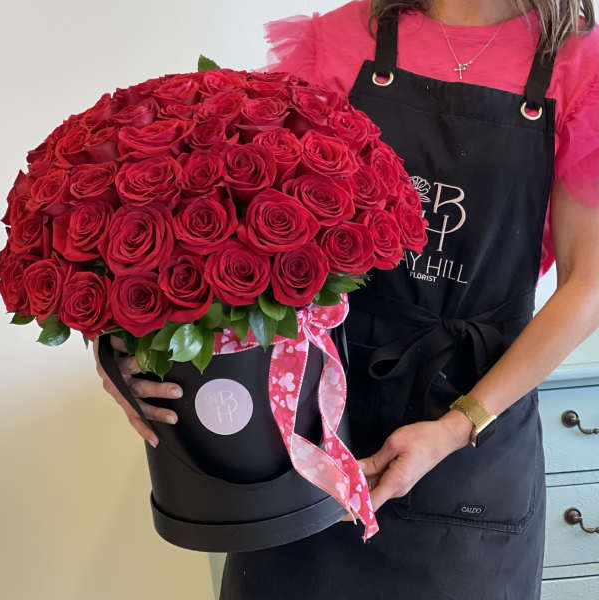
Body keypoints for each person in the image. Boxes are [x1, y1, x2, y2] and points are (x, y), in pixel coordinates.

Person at [94, 0, 599, 598]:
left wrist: (455, 426)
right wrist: (126, 338)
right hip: (312, 430)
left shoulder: (581, 68)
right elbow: (229, 222)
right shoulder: (338, 40)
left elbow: (588, 284)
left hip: (471, 440)